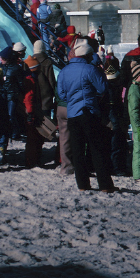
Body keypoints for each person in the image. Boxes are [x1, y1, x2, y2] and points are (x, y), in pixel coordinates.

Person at [56, 40, 115, 192]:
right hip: (89, 112)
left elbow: (62, 94)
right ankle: (105, 185)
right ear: (87, 55)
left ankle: (83, 185)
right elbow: (102, 88)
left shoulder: (64, 71)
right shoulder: (90, 69)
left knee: (77, 151)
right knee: (97, 150)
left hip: (73, 114)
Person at [22, 56, 45, 168]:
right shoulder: (31, 80)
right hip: (32, 112)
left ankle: (32, 159)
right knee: (33, 138)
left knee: (33, 138)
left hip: (31, 111)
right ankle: (31, 160)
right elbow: (29, 98)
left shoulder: (28, 78)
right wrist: (30, 113)